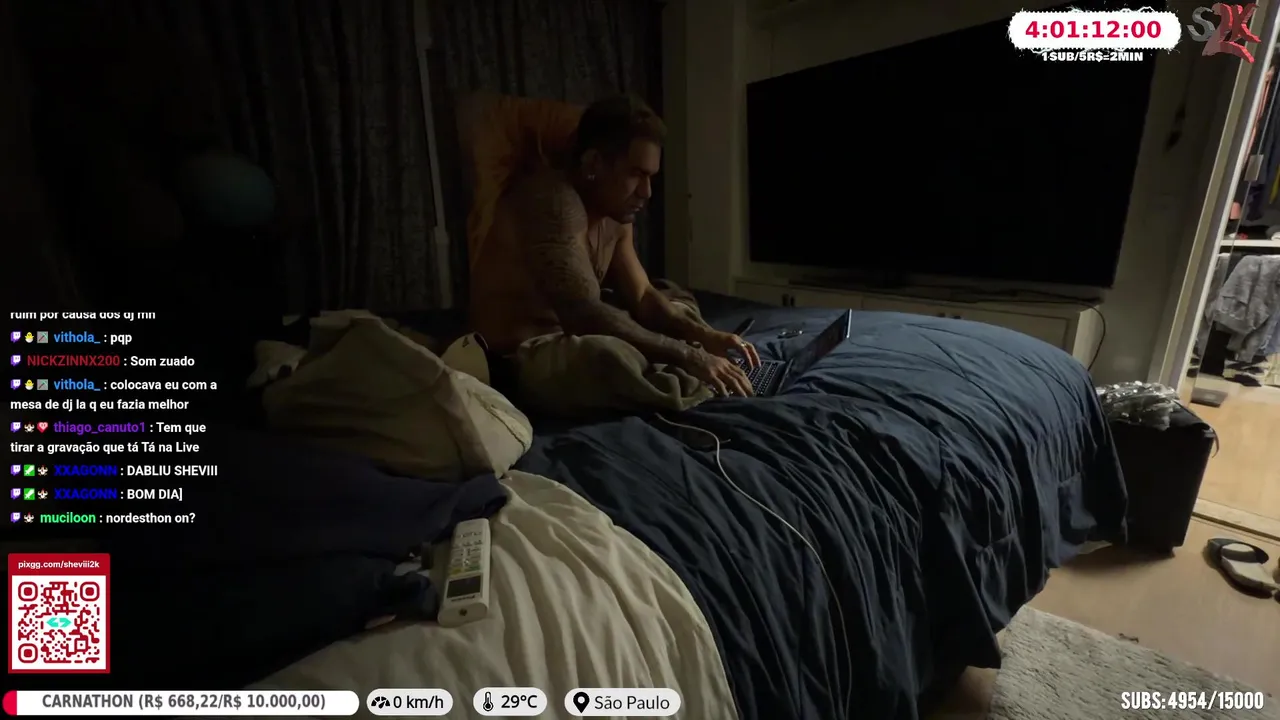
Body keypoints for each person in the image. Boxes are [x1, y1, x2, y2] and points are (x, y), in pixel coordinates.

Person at [470, 95, 760, 397]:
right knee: (609, 356)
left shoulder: (616, 213)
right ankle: (691, 379)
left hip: (575, 331)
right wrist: (690, 355)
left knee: (671, 297)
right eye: (636, 174)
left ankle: (694, 366)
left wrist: (705, 335)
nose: (646, 192)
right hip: (520, 353)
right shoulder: (551, 200)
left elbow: (642, 295)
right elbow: (583, 313)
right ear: (593, 163)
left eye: (650, 177)